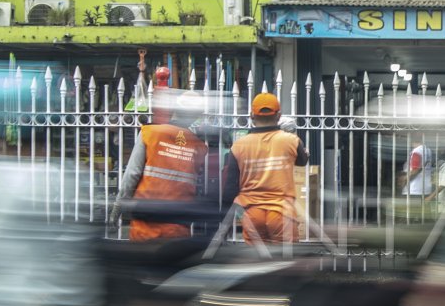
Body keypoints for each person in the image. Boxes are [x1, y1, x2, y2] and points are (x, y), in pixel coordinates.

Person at [112, 88, 209, 241]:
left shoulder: (150, 134)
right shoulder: (198, 146)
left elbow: (132, 174)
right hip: (176, 227)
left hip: (146, 223)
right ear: (197, 116)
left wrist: (118, 206)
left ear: (175, 109)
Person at [222, 93, 309, 246]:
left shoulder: (239, 146)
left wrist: (225, 219)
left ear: (252, 116)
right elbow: (302, 161)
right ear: (279, 115)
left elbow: (230, 188)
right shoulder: (290, 141)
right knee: (285, 263)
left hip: (252, 214)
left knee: (256, 263)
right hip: (282, 213)